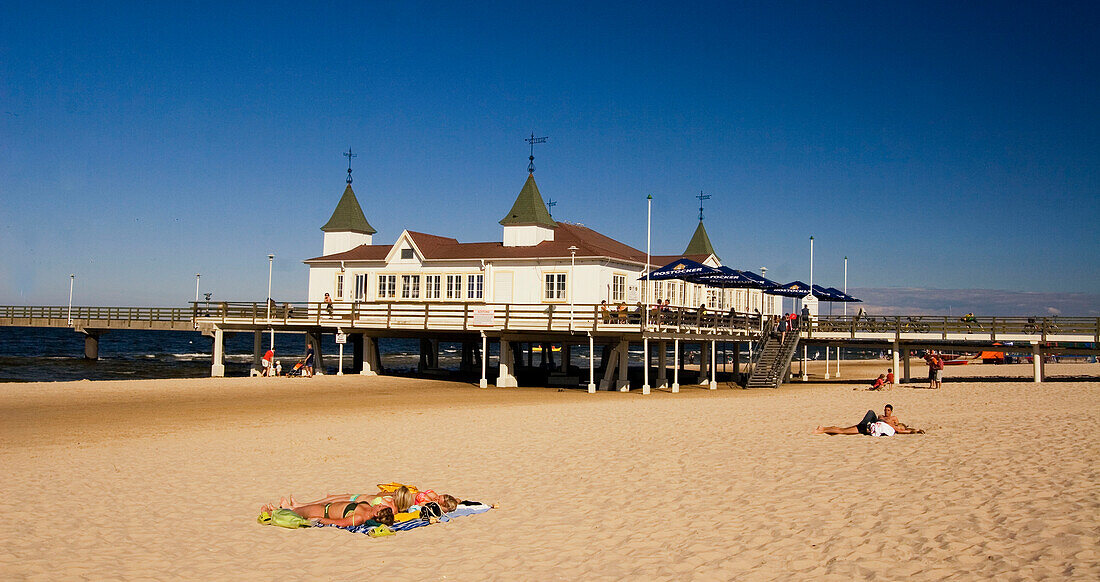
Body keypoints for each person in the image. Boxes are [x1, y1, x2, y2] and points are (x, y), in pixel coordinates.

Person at [814, 405, 924, 435]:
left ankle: (823, 429)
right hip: (868, 423)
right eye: (886, 410)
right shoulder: (881, 417)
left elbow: (904, 430)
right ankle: (823, 429)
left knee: (842, 430)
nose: (886, 412)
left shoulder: (893, 425)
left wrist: (916, 431)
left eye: (888, 410)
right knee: (871, 413)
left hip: (867, 427)